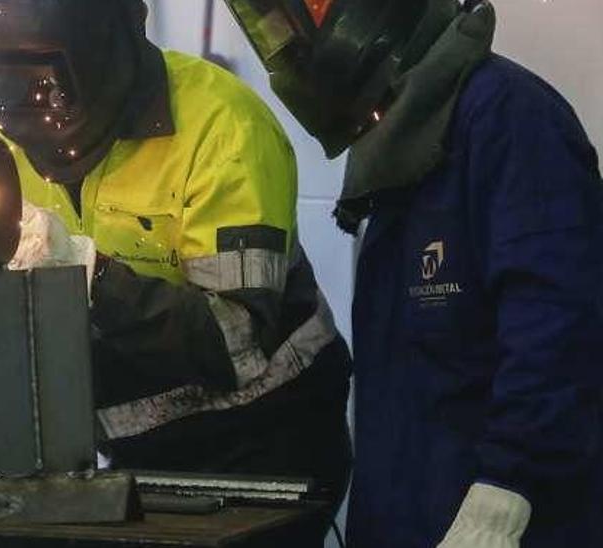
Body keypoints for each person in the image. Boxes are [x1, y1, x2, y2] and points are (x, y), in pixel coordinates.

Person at [0, 1, 352, 544]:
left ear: (107, 52)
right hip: (132, 453)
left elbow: (235, 341)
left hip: (264, 443)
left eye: (54, 90)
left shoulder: (223, 129)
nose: (38, 138)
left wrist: (90, 276)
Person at [222, 0, 603, 546]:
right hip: (411, 516)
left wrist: (506, 486)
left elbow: (557, 327)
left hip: (512, 524)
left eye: (307, 9)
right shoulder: (397, 147)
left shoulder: (508, 118)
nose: (290, 42)